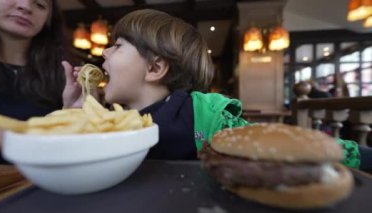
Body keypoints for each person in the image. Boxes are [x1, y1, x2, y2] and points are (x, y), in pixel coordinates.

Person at [62, 9, 372, 171]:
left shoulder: (202, 116)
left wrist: (361, 156)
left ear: (155, 68)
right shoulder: (109, 119)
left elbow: (282, 147)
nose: (103, 53)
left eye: (117, 46)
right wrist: (74, 115)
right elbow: (74, 167)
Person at [0, 0, 65, 162]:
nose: (25, 7)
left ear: (49, 19)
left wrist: (75, 113)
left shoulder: (63, 72)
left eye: (39, 4)